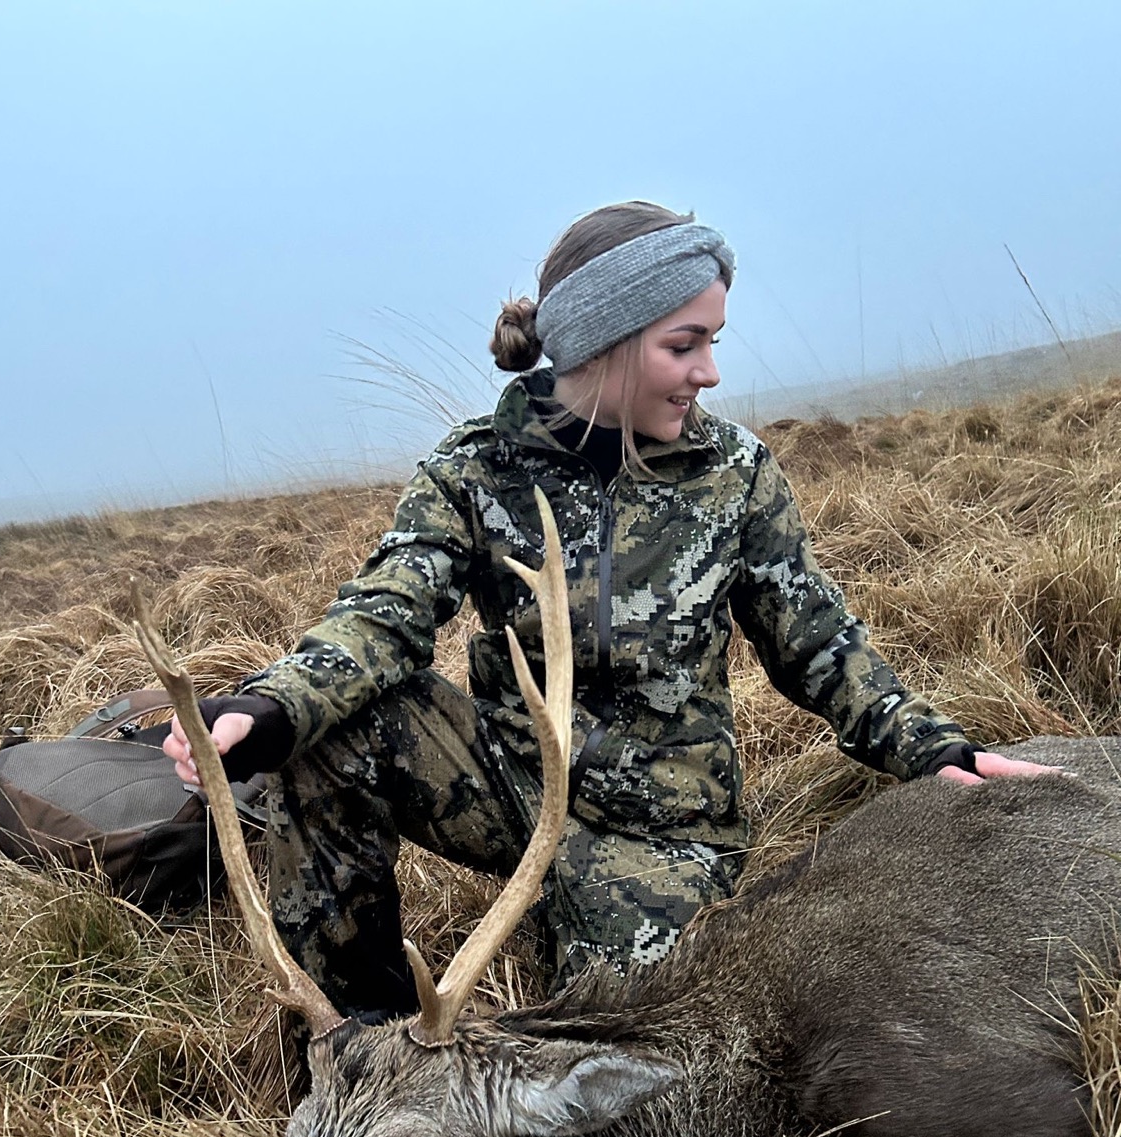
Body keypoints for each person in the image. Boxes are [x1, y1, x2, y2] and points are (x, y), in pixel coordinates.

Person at [164, 200, 1054, 1023]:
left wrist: (934, 749)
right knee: (331, 733)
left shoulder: (735, 476)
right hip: (513, 786)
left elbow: (817, 640)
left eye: (711, 343)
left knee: (621, 1046)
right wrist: (274, 704)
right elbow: (384, 614)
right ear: (606, 340)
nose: (709, 372)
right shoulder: (473, 471)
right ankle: (365, 1050)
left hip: (665, 828)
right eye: (685, 344)